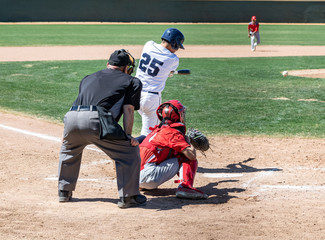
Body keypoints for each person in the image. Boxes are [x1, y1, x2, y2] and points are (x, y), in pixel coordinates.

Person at [57, 49, 147, 208]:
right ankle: (129, 197)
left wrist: (66, 133)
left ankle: (64, 192)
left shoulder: (87, 78)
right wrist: (127, 136)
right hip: (96, 120)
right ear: (127, 68)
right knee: (129, 152)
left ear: (108, 64)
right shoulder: (132, 81)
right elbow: (128, 110)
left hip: (71, 117)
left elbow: (77, 104)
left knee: (69, 150)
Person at [139, 100, 208, 200]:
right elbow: (192, 155)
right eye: (182, 113)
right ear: (177, 116)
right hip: (149, 178)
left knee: (173, 152)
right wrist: (187, 140)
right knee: (185, 156)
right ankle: (185, 187)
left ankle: (143, 184)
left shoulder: (159, 129)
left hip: (135, 180)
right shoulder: (172, 133)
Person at [135, 28, 185, 140]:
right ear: (174, 44)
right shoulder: (173, 59)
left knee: (147, 121)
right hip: (151, 98)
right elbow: (168, 71)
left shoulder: (148, 45)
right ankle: (131, 151)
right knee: (149, 135)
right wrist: (169, 73)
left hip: (135, 93)